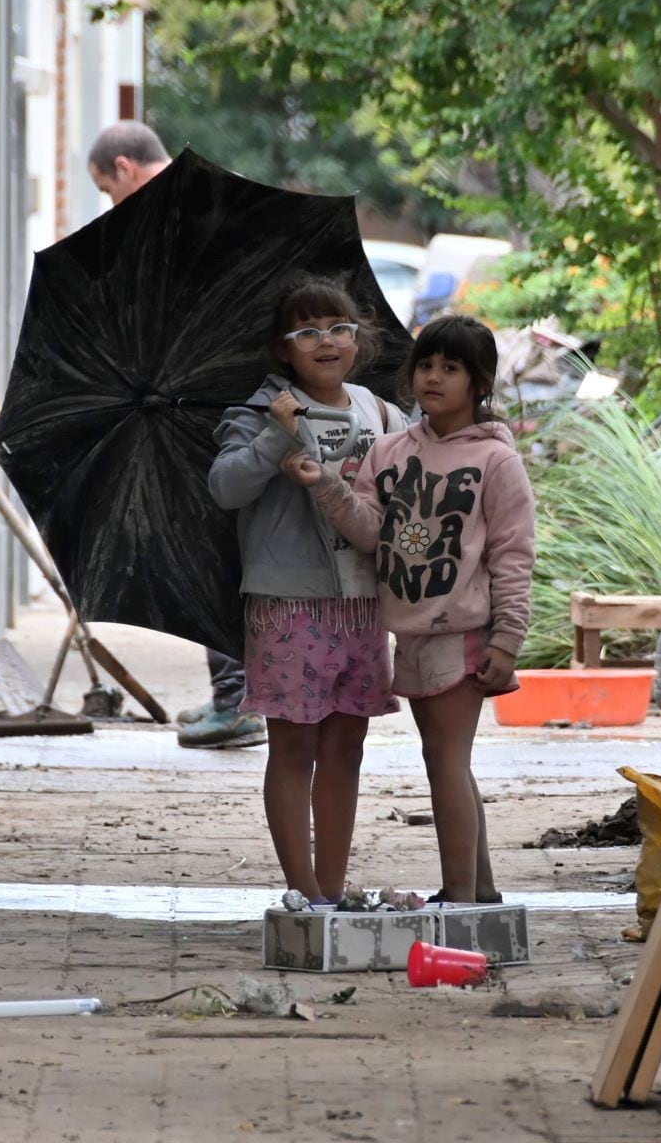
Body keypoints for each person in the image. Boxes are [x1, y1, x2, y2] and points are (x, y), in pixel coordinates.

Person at [290, 316, 535, 904]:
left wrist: (508, 639)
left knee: (446, 759)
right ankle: (480, 890)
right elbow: (371, 531)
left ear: (479, 383)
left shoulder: (497, 463)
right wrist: (325, 485)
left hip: (466, 630)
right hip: (413, 632)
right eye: (426, 365)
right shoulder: (391, 450)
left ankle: (459, 896)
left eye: (451, 369)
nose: (433, 377)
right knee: (447, 760)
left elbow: (513, 554)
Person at [209, 277, 408, 903]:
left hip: (363, 602)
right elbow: (225, 489)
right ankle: (304, 892)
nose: (327, 342)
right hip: (288, 602)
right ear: (283, 348)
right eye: (308, 332)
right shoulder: (259, 412)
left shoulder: (381, 412)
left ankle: (333, 886)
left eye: (339, 328)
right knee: (294, 742)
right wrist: (275, 437)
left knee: (348, 742)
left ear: (359, 339)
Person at [85, 120, 263, 750]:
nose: (113, 206)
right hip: (229, 402)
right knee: (216, 546)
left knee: (210, 551)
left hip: (204, 409)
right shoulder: (216, 200)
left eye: (109, 191)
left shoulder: (169, 219)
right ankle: (232, 693)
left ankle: (239, 701)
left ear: (126, 168)